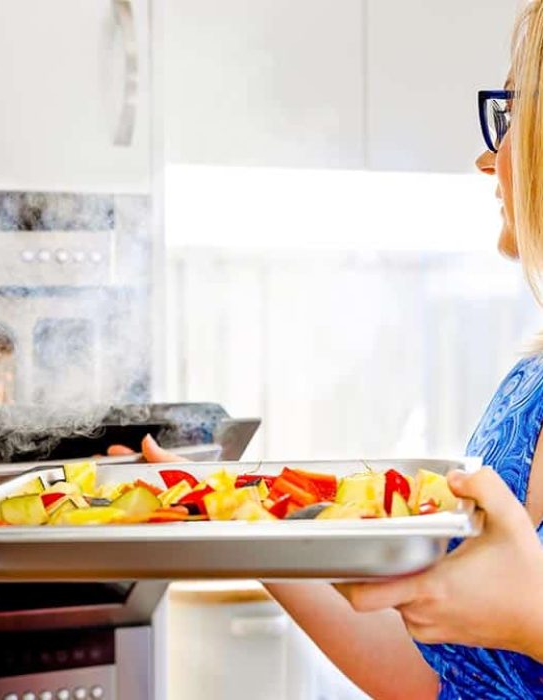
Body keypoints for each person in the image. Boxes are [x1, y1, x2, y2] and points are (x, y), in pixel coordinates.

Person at [123, 3, 543, 697]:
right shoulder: (526, 391)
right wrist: (233, 514)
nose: (487, 158)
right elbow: (439, 676)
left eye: (508, 117)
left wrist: (534, 617)